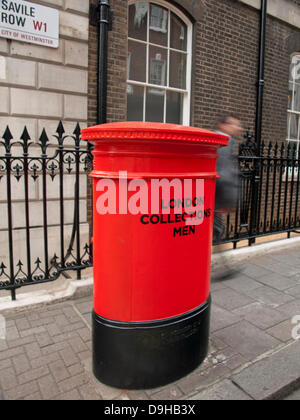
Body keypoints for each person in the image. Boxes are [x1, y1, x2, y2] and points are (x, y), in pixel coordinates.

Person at [212, 113, 243, 281]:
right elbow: (224, 174)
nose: (237, 128)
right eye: (234, 124)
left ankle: (224, 267)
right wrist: (227, 201)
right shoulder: (224, 141)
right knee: (216, 232)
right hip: (216, 198)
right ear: (222, 125)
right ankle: (223, 268)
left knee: (214, 233)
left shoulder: (216, 139)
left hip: (211, 196)